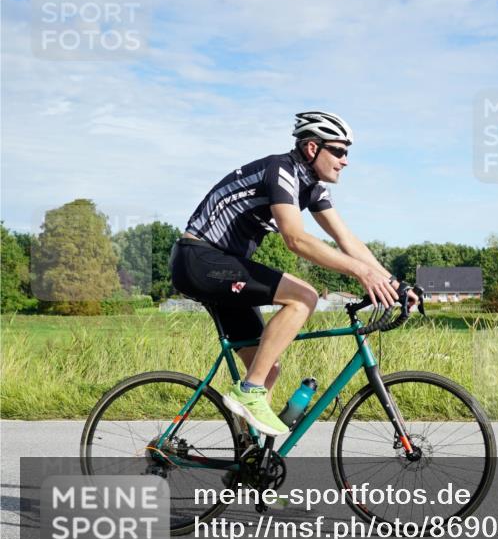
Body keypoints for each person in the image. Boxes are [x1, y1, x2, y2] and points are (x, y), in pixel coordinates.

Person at [170, 111, 412, 436]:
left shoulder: (310, 187)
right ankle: (248, 392)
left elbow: (347, 240)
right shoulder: (280, 170)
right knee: (304, 297)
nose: (345, 161)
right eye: (339, 151)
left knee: (267, 368)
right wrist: (360, 273)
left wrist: (392, 283)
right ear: (313, 148)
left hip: (222, 266)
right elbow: (295, 239)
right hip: (200, 259)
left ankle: (248, 464)